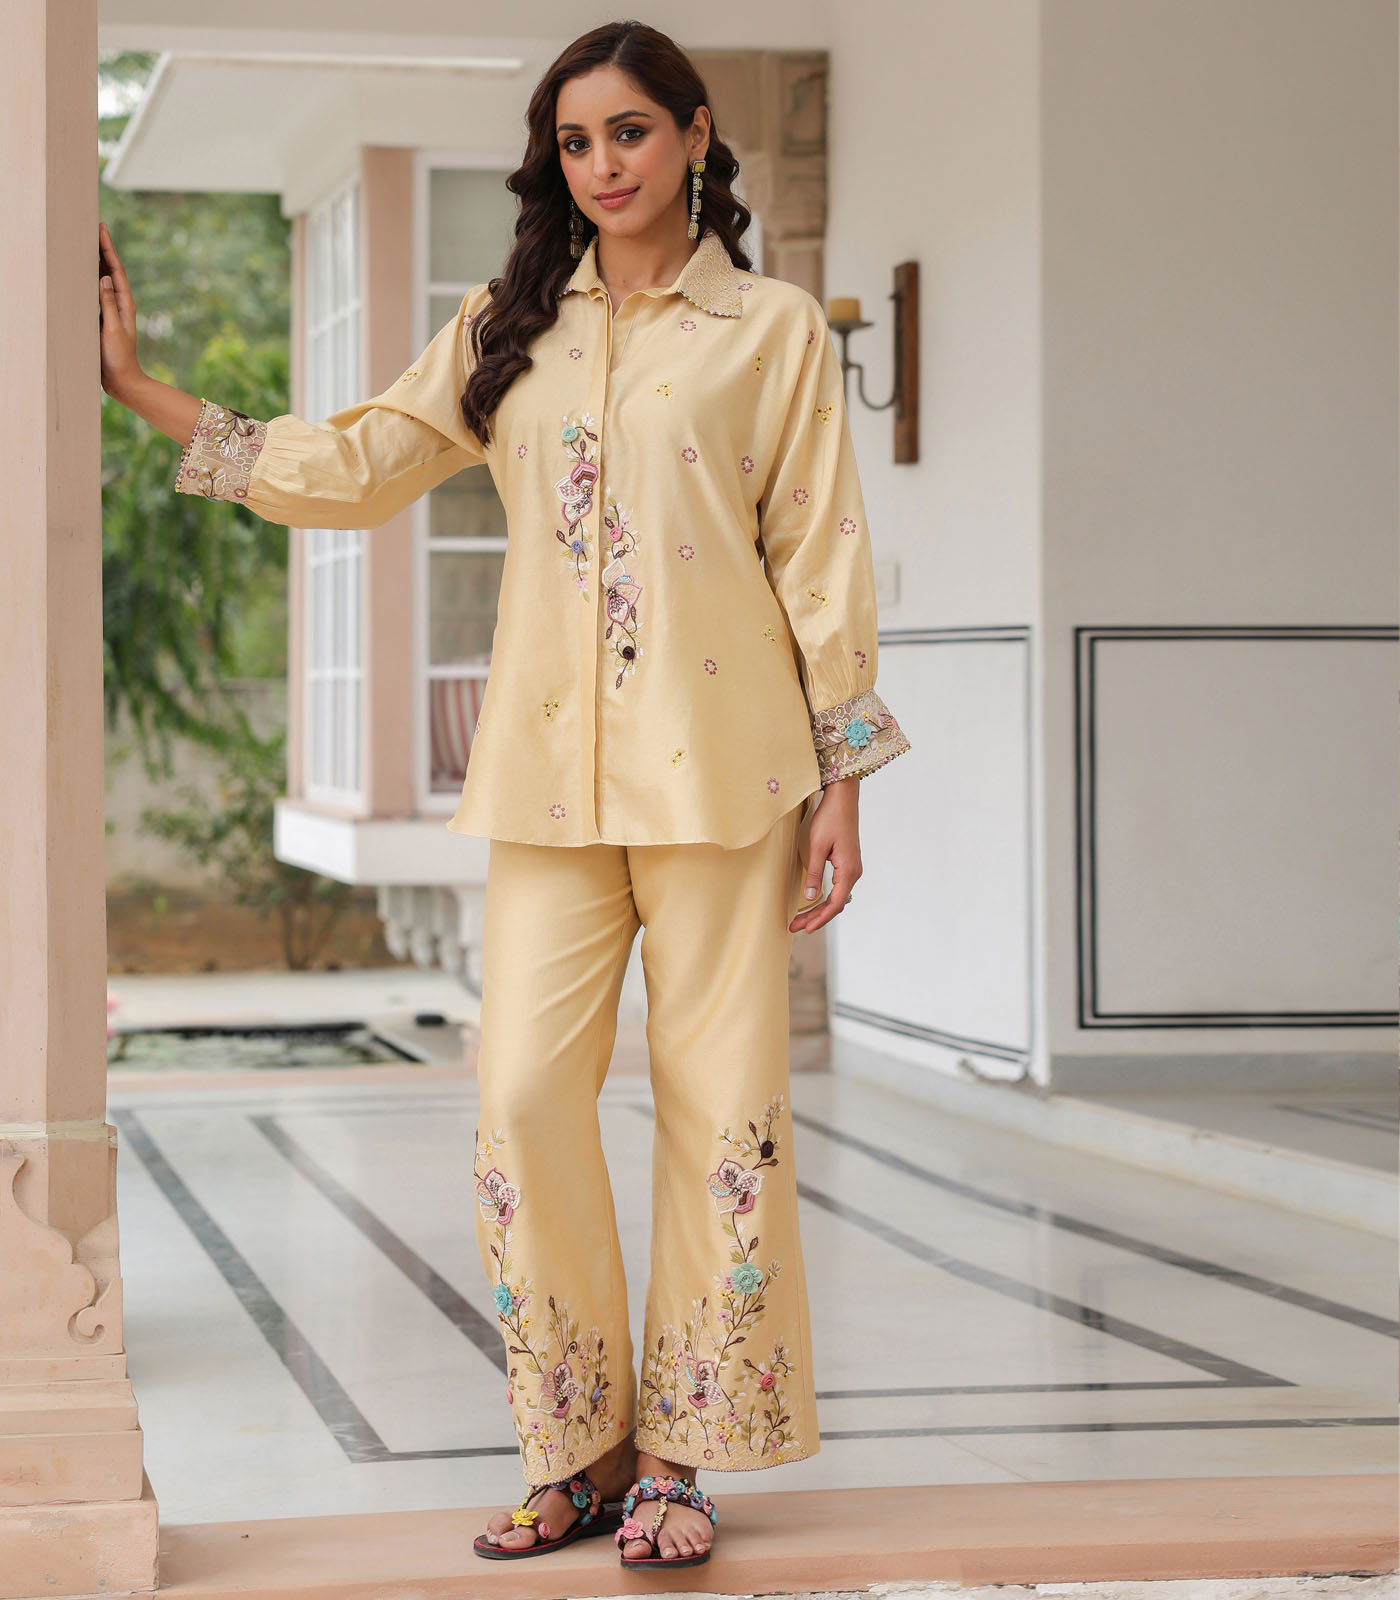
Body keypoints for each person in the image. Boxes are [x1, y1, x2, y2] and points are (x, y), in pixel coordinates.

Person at [99, 17, 911, 1571]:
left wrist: (844, 780)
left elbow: (821, 552)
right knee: (523, 1099)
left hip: (728, 773)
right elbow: (355, 466)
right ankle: (577, 1446)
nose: (602, 165)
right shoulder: (505, 324)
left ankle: (681, 1458)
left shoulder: (772, 331)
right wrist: (143, 392)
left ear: (694, 134)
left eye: (630, 132)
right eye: (575, 141)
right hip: (545, 783)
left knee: (720, 1111)